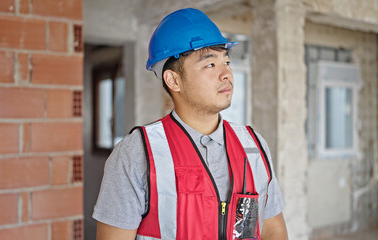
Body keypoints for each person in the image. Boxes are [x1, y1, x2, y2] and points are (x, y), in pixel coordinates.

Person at [93, 8, 288, 240]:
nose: (226, 73)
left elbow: (273, 229)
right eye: (210, 65)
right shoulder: (138, 153)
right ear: (174, 80)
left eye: (226, 61)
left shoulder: (253, 146)